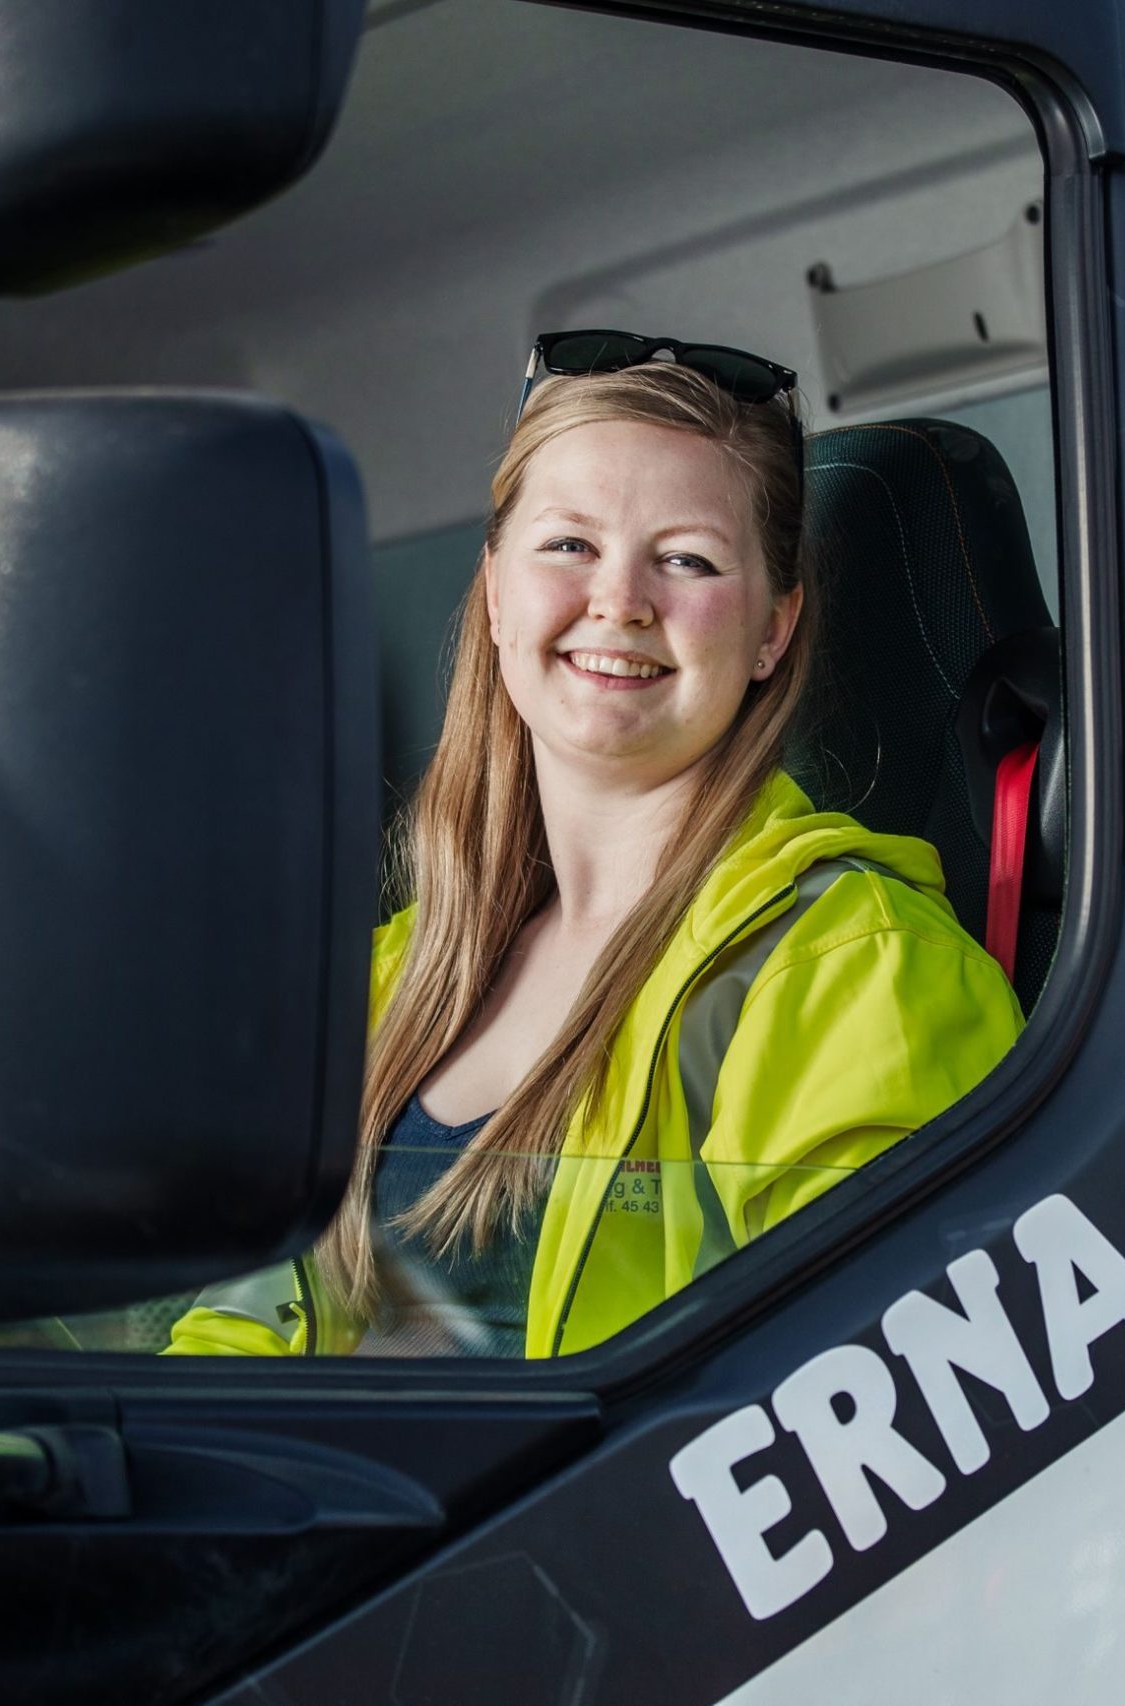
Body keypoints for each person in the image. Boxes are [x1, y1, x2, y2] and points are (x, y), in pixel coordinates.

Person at [168, 335, 1023, 1358]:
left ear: (772, 630)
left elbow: (882, 1398)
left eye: (687, 559)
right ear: (494, 590)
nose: (619, 600)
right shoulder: (382, 982)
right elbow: (234, 1344)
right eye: (569, 544)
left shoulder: (857, 964)